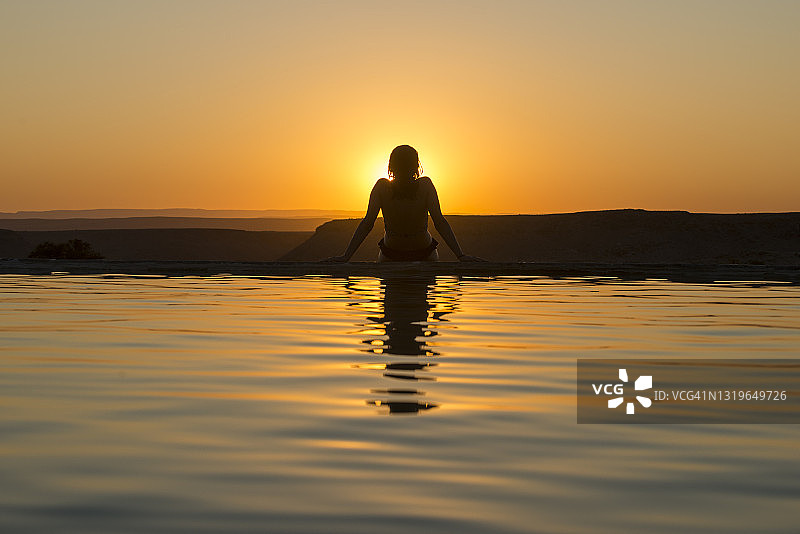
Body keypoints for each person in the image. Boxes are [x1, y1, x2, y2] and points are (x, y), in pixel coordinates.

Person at [327, 145, 483, 262]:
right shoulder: (383, 187)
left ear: (391, 166)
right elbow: (367, 223)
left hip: (421, 254)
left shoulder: (424, 186)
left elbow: (440, 222)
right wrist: (346, 257)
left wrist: (460, 255)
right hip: (394, 254)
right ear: (416, 165)